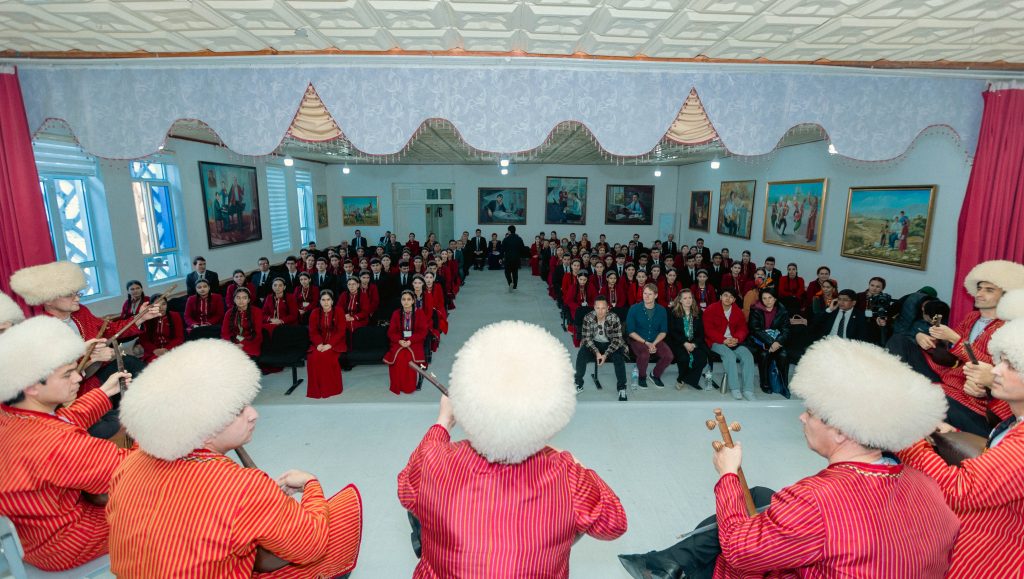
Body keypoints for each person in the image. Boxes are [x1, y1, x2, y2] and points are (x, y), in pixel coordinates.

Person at [619, 337, 958, 579]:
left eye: (811, 412)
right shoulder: (925, 483)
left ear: (841, 430)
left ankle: (672, 567)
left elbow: (741, 550)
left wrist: (728, 475)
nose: (802, 418)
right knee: (762, 497)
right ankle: (669, 564)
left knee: (729, 541)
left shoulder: (815, 498)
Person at [107, 340, 363, 578]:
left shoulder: (130, 462)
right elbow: (311, 546)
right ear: (204, 422)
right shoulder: (243, 486)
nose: (253, 415)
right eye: (238, 411)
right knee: (344, 510)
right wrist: (311, 485)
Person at [398, 321, 627, 577]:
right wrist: (572, 460)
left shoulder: (433, 459)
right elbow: (614, 523)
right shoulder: (568, 474)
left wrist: (443, 421)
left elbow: (406, 490)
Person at [898, 290, 1024, 578]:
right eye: (999, 361)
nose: (996, 371)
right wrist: (949, 432)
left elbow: (960, 491)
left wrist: (909, 437)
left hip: (989, 558)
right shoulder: (1013, 422)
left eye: (1010, 365)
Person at [0, 317, 133, 571]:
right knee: (171, 503)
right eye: (67, 374)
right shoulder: (56, 443)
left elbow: (60, 421)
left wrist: (104, 393)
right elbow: (130, 473)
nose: (78, 380)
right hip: (67, 542)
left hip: (32, 538)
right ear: (31, 386)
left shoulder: (10, 414)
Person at [10, 261, 157, 437]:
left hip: (95, 375)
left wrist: (140, 318)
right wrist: (89, 358)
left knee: (132, 363)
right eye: (69, 294)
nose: (77, 298)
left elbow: (109, 329)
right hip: (73, 389)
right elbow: (55, 374)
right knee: (105, 427)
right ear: (48, 299)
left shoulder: (81, 313)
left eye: (77, 292)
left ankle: (154, 405)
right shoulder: (43, 328)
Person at [919, 260, 1024, 435]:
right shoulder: (971, 317)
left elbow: (990, 367)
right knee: (902, 343)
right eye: (980, 288)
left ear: (1005, 295)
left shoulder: (1008, 327)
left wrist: (955, 339)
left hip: (975, 401)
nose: (980, 294)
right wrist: (923, 335)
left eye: (989, 290)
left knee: (925, 401)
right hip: (952, 380)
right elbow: (952, 355)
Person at [703, 288, 758, 401]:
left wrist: (737, 338)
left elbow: (743, 328)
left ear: (734, 300)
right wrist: (723, 340)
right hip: (716, 341)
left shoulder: (737, 311)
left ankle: (748, 390)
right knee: (729, 356)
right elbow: (708, 330)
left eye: (731, 297)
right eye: (725, 295)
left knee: (747, 355)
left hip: (734, 341)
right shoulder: (711, 309)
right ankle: (735, 388)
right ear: (721, 297)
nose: (728, 298)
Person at [575, 296, 628, 400]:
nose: (600, 311)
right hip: (594, 343)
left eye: (603, 308)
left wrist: (606, 354)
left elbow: (617, 340)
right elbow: (586, 338)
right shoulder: (588, 317)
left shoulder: (614, 318)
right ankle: (578, 384)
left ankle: (622, 388)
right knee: (581, 354)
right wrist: (597, 353)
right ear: (594, 307)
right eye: (598, 308)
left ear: (608, 308)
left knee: (619, 358)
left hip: (611, 343)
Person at [626, 284, 674, 388]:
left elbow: (663, 331)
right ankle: (642, 376)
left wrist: (654, 343)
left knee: (668, 356)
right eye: (644, 293)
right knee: (644, 354)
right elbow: (630, 331)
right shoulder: (634, 309)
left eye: (650, 294)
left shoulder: (661, 310)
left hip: (655, 339)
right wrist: (646, 343)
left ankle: (655, 375)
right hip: (637, 339)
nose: (646, 296)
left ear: (656, 295)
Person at [746, 288, 792, 397]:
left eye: (770, 298)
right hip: (759, 341)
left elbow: (786, 329)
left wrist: (778, 342)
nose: (767, 301)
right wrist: (771, 342)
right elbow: (755, 329)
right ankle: (765, 383)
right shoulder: (755, 309)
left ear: (775, 299)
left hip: (777, 341)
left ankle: (784, 384)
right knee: (764, 354)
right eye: (764, 298)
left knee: (783, 354)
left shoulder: (782, 310)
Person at [385, 290, 430, 395]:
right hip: (399, 342)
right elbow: (391, 332)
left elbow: (423, 332)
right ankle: (398, 385)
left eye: (409, 299)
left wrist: (410, 341)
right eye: (403, 299)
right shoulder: (396, 313)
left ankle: (408, 387)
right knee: (399, 356)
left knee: (408, 357)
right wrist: (399, 340)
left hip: (415, 341)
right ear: (400, 301)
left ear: (413, 301)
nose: (406, 302)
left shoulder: (419, 313)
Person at [306, 290, 346, 399]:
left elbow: (341, 331)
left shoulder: (339, 311)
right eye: (323, 300)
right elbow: (313, 332)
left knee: (325, 356)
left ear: (332, 301)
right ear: (320, 301)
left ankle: (330, 389)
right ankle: (317, 390)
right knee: (313, 357)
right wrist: (319, 344)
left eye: (328, 300)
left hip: (336, 343)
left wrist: (330, 345)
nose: (326, 302)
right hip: (318, 343)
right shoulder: (314, 312)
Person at [667, 289, 708, 390]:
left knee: (702, 358)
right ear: (680, 300)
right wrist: (684, 343)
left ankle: (692, 380)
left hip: (694, 342)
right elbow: (672, 332)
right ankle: (680, 379)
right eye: (685, 298)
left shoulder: (698, 313)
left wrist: (693, 344)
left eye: (690, 297)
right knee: (684, 358)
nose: (688, 300)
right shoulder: (673, 312)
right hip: (679, 342)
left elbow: (701, 333)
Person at [137, 294, 184, 363]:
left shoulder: (175, 315)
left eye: (163, 304)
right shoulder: (147, 318)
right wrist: (155, 350)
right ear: (151, 306)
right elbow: (143, 340)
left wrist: (166, 349)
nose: (161, 307)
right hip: (153, 351)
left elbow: (179, 337)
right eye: (157, 305)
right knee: (158, 363)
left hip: (173, 348)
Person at [221, 287, 262, 359]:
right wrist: (234, 343)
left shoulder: (257, 311)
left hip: (251, 342)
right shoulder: (229, 313)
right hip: (233, 341)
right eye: (238, 298)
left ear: (249, 300)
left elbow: (257, 333)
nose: (241, 300)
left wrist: (242, 344)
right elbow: (224, 333)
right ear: (234, 299)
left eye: (244, 298)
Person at [502, 225, 525, 291]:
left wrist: (501, 258)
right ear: (515, 230)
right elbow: (522, 248)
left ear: (509, 231)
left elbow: (502, 249)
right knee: (515, 272)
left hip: (508, 258)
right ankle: (515, 286)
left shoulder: (506, 239)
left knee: (507, 272)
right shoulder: (519, 239)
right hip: (516, 258)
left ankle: (510, 283)